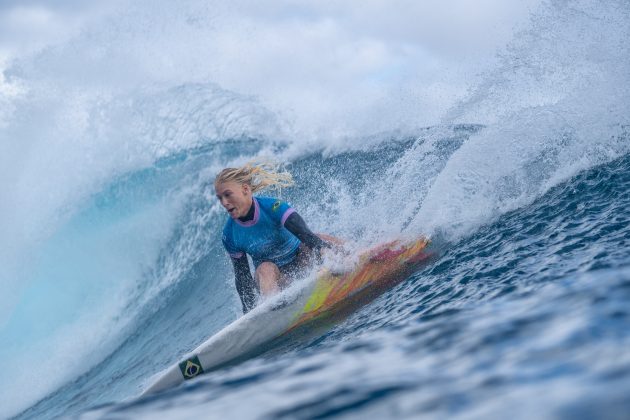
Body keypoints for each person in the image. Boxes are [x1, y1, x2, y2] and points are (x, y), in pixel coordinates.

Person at [215, 161, 339, 314]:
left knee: (318, 239)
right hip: (277, 283)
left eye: (227, 195)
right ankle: (274, 309)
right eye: (220, 198)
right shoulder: (230, 234)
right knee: (265, 268)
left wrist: (328, 255)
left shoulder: (273, 207)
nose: (224, 202)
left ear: (245, 189)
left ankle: (356, 252)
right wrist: (248, 314)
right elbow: (243, 279)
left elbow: (306, 235)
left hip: (305, 262)